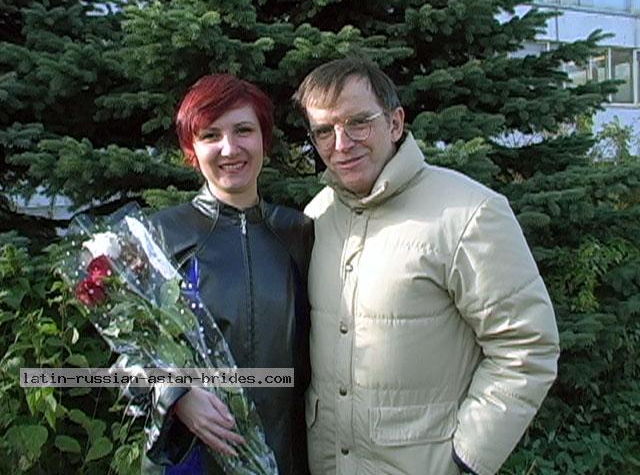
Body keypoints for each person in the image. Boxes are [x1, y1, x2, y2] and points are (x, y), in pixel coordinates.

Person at [292, 57, 560, 475]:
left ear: (395, 123)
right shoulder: (317, 215)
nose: (341, 144)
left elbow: (527, 347)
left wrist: (467, 459)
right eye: (324, 131)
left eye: (358, 123)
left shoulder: (470, 213)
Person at [144, 74, 312, 474]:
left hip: (287, 454)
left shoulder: (298, 232)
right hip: (192, 457)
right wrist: (175, 395)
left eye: (243, 131)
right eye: (210, 135)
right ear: (191, 149)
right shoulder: (162, 235)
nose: (230, 148)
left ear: (264, 139)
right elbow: (129, 348)